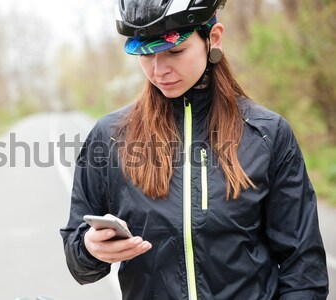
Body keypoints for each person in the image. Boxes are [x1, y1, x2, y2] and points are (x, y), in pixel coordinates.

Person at [60, 0, 329, 299]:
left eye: (175, 51)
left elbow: (304, 269)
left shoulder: (268, 134)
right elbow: (77, 257)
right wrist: (89, 248)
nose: (159, 70)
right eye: (145, 54)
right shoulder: (109, 137)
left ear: (213, 38)